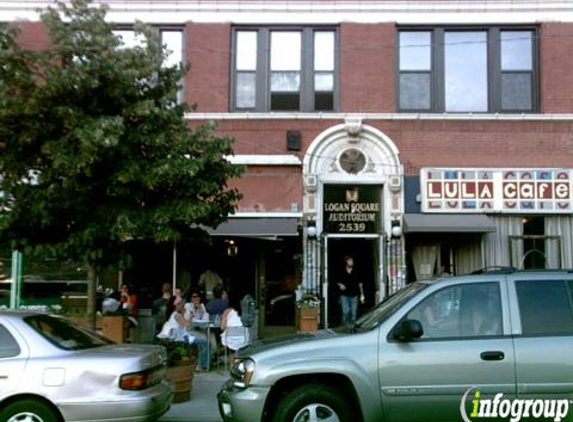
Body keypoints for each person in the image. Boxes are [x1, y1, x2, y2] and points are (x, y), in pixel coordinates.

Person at [157, 296, 210, 372]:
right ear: (176, 305)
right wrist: (191, 316)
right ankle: (200, 366)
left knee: (203, 343)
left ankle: (200, 365)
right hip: (183, 338)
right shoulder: (177, 315)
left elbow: (185, 326)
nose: (182, 305)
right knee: (206, 343)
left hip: (182, 336)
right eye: (180, 303)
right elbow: (187, 325)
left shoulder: (174, 314)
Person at [336, 255, 365, 327]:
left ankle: (351, 330)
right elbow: (336, 280)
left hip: (354, 295)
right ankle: (344, 327)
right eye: (350, 261)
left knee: (353, 314)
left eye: (352, 261)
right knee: (346, 312)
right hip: (344, 295)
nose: (352, 262)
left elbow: (360, 283)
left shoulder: (356, 271)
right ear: (346, 262)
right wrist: (340, 285)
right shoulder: (341, 271)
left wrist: (362, 294)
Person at [220, 296, 248, 366]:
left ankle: (231, 365)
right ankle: (239, 363)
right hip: (243, 339)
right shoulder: (245, 311)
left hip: (230, 340)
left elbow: (222, 327)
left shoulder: (227, 311)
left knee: (231, 349)